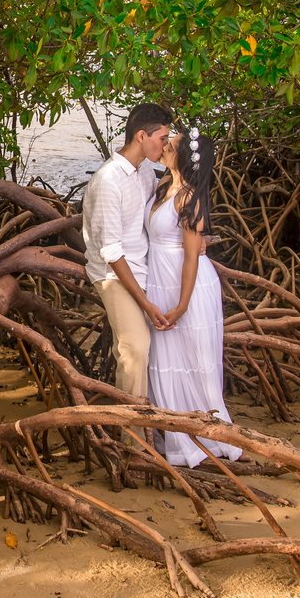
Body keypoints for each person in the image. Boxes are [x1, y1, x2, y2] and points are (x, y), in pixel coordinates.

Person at [144, 126, 243, 466]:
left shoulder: (190, 197)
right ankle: (174, 429)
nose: (167, 146)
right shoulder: (161, 186)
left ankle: (209, 436)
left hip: (187, 285)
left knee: (193, 361)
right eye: (167, 142)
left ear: (184, 156)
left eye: (172, 145)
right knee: (164, 360)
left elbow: (190, 257)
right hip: (160, 279)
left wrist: (182, 305)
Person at [82, 103, 173, 406]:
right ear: (142, 136)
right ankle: (134, 442)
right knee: (135, 348)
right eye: (162, 138)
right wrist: (146, 304)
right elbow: (112, 253)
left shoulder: (144, 168)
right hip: (114, 274)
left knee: (158, 345)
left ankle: (153, 424)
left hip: (145, 265)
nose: (166, 145)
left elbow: (156, 215)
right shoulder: (109, 181)